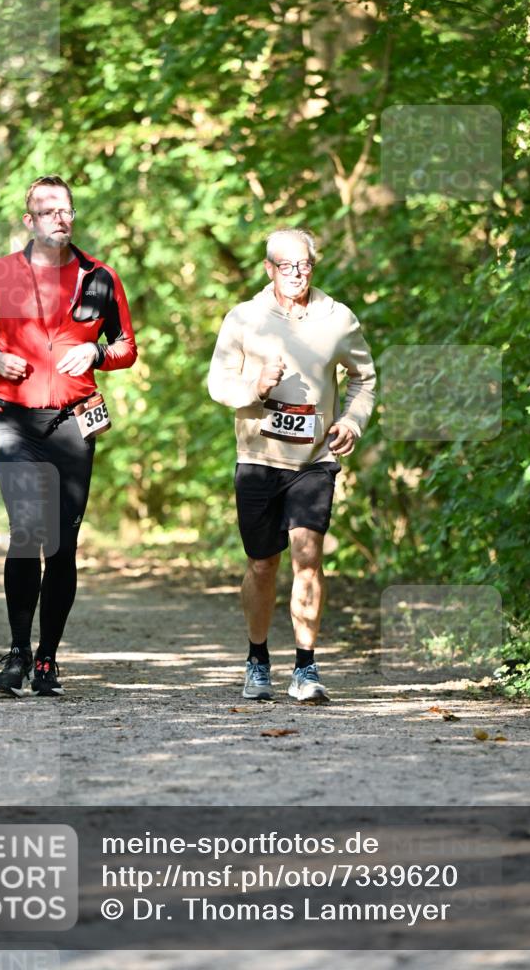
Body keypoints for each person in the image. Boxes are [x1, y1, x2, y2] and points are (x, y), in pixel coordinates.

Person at [0, 175, 137, 697]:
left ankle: (47, 660)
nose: (60, 217)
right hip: (12, 417)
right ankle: (16, 651)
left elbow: (126, 346)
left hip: (74, 421)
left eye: (67, 209)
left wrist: (98, 354)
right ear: (29, 220)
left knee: (61, 545)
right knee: (28, 530)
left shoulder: (100, 278)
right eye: (48, 209)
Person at [208, 228, 375, 703]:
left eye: (304, 265)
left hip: (314, 458)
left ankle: (305, 667)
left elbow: (365, 379)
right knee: (263, 565)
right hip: (259, 458)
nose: (297, 274)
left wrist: (352, 421)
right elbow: (219, 383)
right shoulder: (243, 318)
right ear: (268, 269)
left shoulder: (337, 318)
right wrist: (256, 387)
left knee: (308, 556)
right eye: (286, 266)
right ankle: (258, 658)